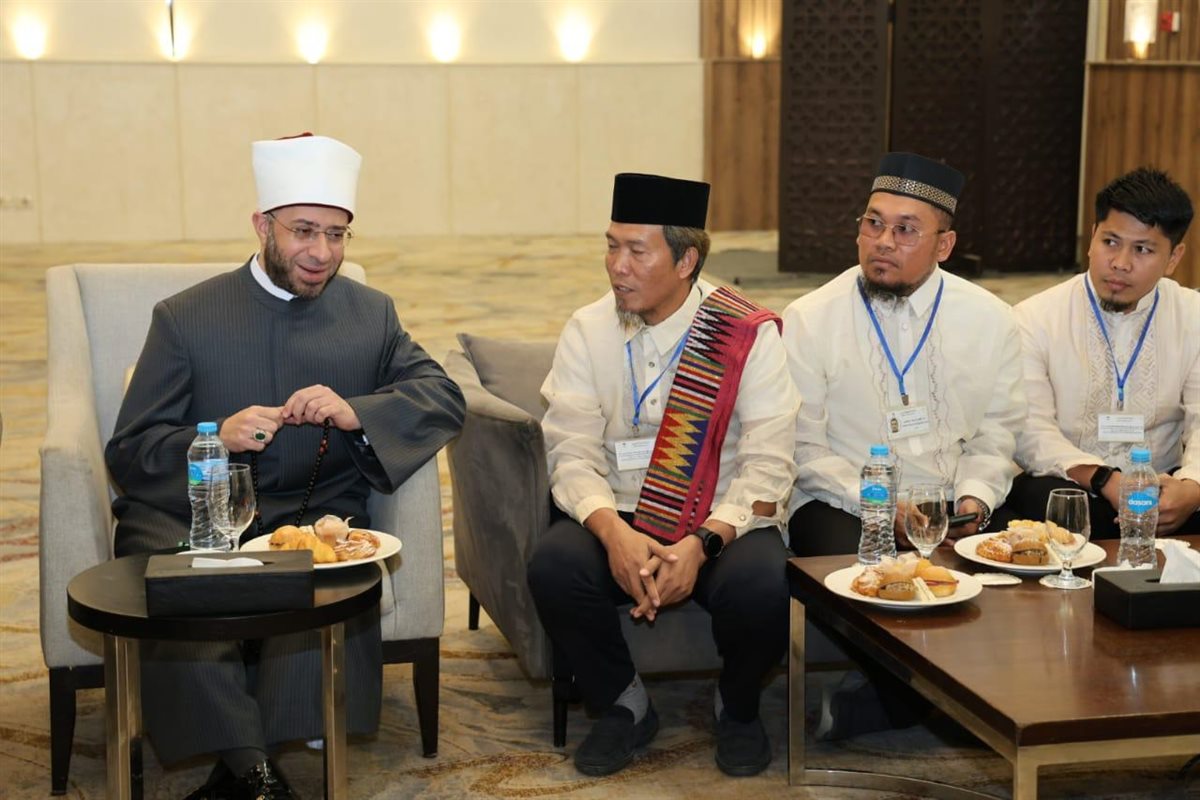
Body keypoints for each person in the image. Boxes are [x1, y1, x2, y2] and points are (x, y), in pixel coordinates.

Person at [105, 133, 465, 800]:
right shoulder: (185, 317)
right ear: (262, 225)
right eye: (303, 231)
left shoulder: (370, 314)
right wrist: (217, 437)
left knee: (324, 568)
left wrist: (357, 411)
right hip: (198, 511)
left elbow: (442, 397)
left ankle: (245, 761)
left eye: (336, 234)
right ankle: (254, 764)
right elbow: (130, 449)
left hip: (312, 510)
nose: (321, 252)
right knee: (169, 576)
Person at [526, 173, 800, 778]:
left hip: (717, 519)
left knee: (766, 585)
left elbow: (769, 463)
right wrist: (613, 534)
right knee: (554, 566)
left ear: (686, 261)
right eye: (611, 246)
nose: (616, 267)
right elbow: (570, 452)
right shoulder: (588, 329)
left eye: (636, 251)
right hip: (619, 508)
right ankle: (623, 704)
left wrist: (703, 544)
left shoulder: (744, 335)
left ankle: (738, 707)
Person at [783, 152, 1026, 558]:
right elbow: (804, 447)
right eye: (873, 223)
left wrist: (975, 500)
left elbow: (997, 432)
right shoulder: (810, 318)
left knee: (1015, 563)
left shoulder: (991, 318)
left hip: (951, 498)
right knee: (854, 570)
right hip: (844, 501)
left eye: (906, 230)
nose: (883, 241)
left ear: (944, 245)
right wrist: (877, 504)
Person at [1010, 167, 1199, 537]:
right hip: (1076, 483)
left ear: (1174, 257)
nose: (1120, 263)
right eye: (1110, 242)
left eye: (1142, 249)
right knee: (1046, 502)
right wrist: (1103, 479)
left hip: (1163, 486)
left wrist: (1192, 489)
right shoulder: (1034, 318)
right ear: (1092, 236)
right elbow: (1030, 430)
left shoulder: (1193, 316)